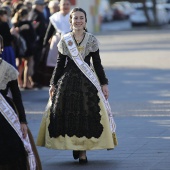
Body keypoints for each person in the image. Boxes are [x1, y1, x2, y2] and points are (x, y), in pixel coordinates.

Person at [37, 7, 118, 164]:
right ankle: (75, 146)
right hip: (67, 81)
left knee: (87, 114)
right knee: (68, 115)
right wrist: (53, 84)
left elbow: (98, 64)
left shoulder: (92, 40)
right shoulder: (65, 39)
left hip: (87, 82)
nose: (78, 20)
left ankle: (83, 152)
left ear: (85, 21)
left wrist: (104, 83)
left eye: (81, 18)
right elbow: (60, 64)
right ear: (71, 21)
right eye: (75, 18)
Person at [0, 35, 42, 170]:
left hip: (5, 118)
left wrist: (23, 121)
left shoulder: (8, 69)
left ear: (1, 48)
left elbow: (17, 97)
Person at [40, 0, 71, 86]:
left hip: (71, 41)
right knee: (56, 63)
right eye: (63, 4)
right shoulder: (55, 17)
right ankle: (55, 82)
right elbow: (49, 32)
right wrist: (44, 44)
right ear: (60, 6)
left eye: (67, 4)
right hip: (57, 41)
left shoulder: (74, 16)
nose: (65, 6)